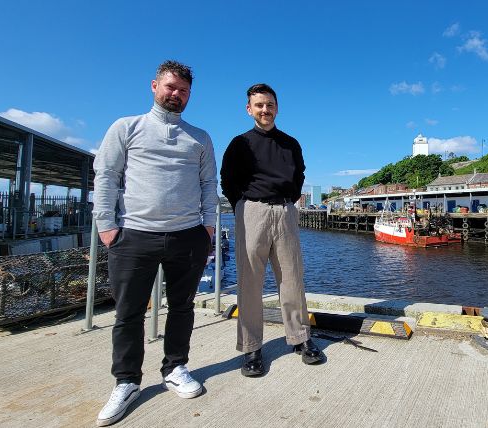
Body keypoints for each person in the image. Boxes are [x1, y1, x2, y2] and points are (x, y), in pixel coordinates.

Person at [92, 60, 218, 426]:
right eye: (170, 87)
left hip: (188, 235)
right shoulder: (126, 127)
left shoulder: (200, 138)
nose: (176, 94)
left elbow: (210, 184)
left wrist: (208, 226)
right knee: (128, 313)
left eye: (183, 90)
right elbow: (107, 177)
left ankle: (176, 367)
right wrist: (107, 226)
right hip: (133, 235)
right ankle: (127, 381)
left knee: (182, 307)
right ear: (154, 86)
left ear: (190, 95)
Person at [220, 83, 325, 377]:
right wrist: (242, 205)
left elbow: (299, 174)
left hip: (285, 211)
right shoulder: (239, 143)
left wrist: (289, 200)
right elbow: (227, 179)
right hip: (252, 210)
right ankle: (252, 347)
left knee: (292, 278)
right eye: (259, 105)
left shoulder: (291, 143)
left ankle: (300, 338)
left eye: (269, 104)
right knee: (250, 282)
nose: (265, 110)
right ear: (249, 109)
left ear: (276, 107)